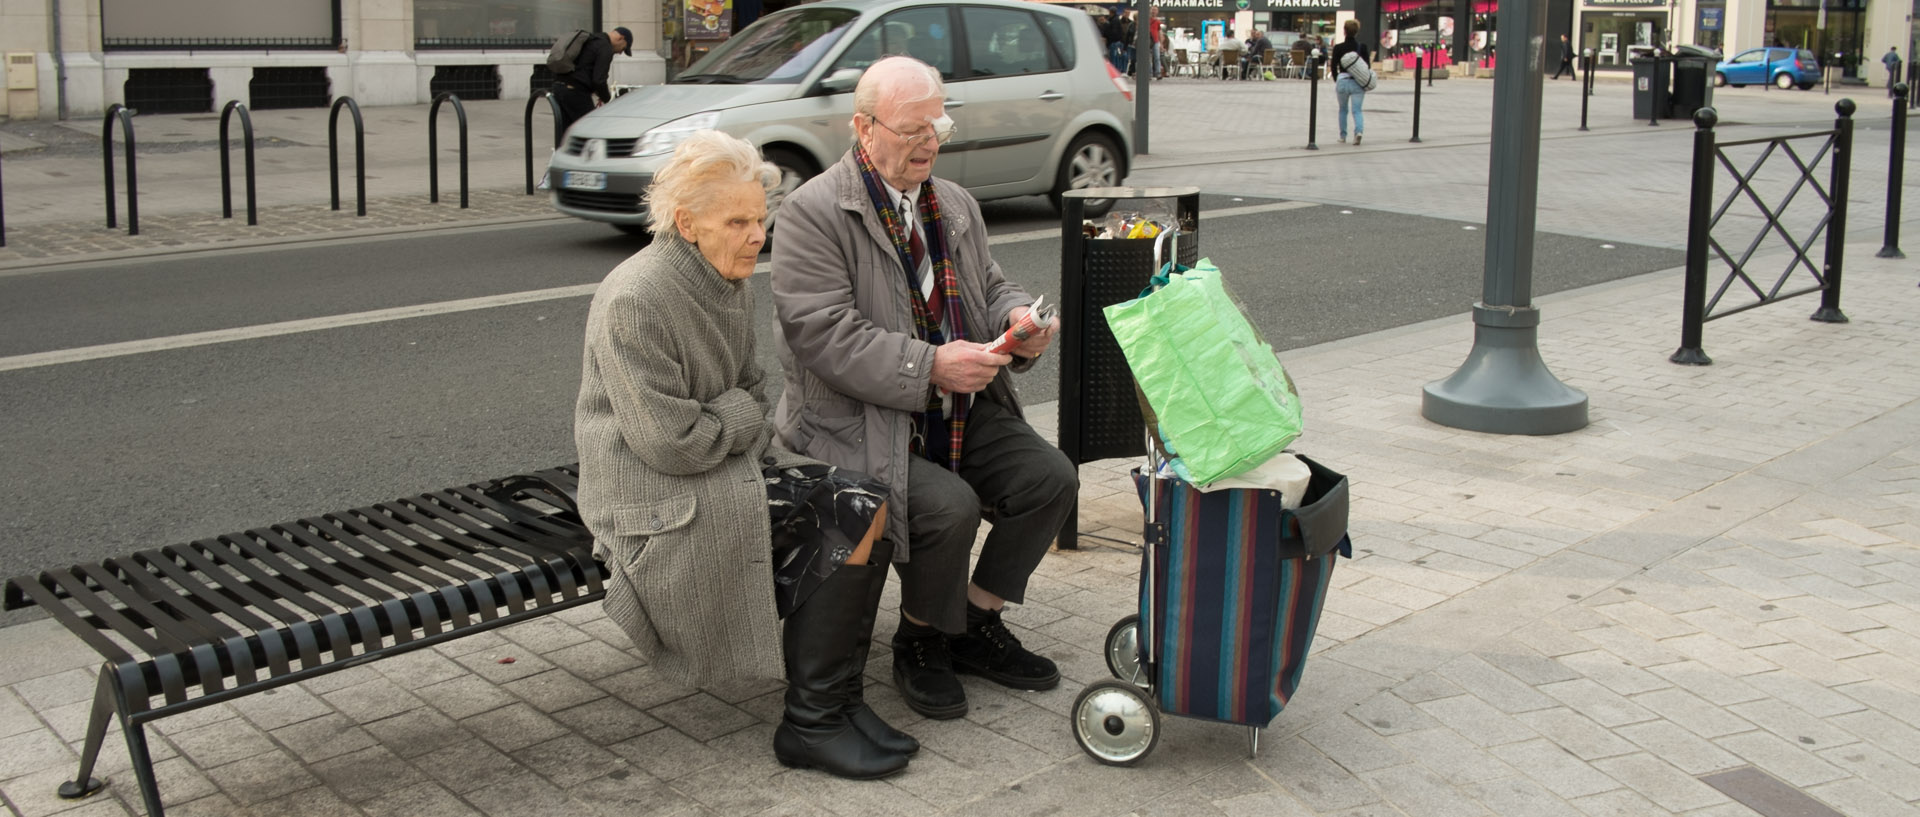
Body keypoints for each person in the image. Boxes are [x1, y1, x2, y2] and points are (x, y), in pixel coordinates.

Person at [576, 130, 913, 780]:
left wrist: (732, 414)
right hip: (649, 494)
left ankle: (836, 700)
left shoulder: (724, 277)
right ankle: (810, 722)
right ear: (687, 223)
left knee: (868, 501)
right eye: (738, 221)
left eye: (761, 218)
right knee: (842, 510)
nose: (757, 234)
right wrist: (734, 414)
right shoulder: (635, 300)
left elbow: (755, 392)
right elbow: (670, 442)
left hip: (716, 465)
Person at [770, 56, 1078, 721]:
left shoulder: (954, 203)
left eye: (936, 123)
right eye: (911, 128)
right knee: (949, 506)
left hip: (956, 407)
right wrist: (930, 366)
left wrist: (1016, 320)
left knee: (1049, 478)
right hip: (857, 420)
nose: (929, 141)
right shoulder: (813, 212)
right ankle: (919, 638)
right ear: (864, 128)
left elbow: (990, 285)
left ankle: (973, 622)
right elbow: (823, 334)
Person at [553, 27, 633, 136]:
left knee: (566, 132)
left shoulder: (593, 39)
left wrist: (596, 90)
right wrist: (609, 100)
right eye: (623, 49)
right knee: (591, 130)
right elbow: (599, 80)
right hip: (575, 92)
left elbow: (584, 68)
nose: (620, 53)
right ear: (621, 38)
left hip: (559, 87)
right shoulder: (605, 48)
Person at [1331, 19, 1369, 145]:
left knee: (1343, 109)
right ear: (1357, 32)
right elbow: (1367, 66)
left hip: (1342, 80)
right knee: (1357, 110)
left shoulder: (1338, 47)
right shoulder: (1362, 47)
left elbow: (1333, 66)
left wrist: (1338, 79)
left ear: (1344, 31)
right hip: (1357, 81)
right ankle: (1358, 132)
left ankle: (1343, 136)